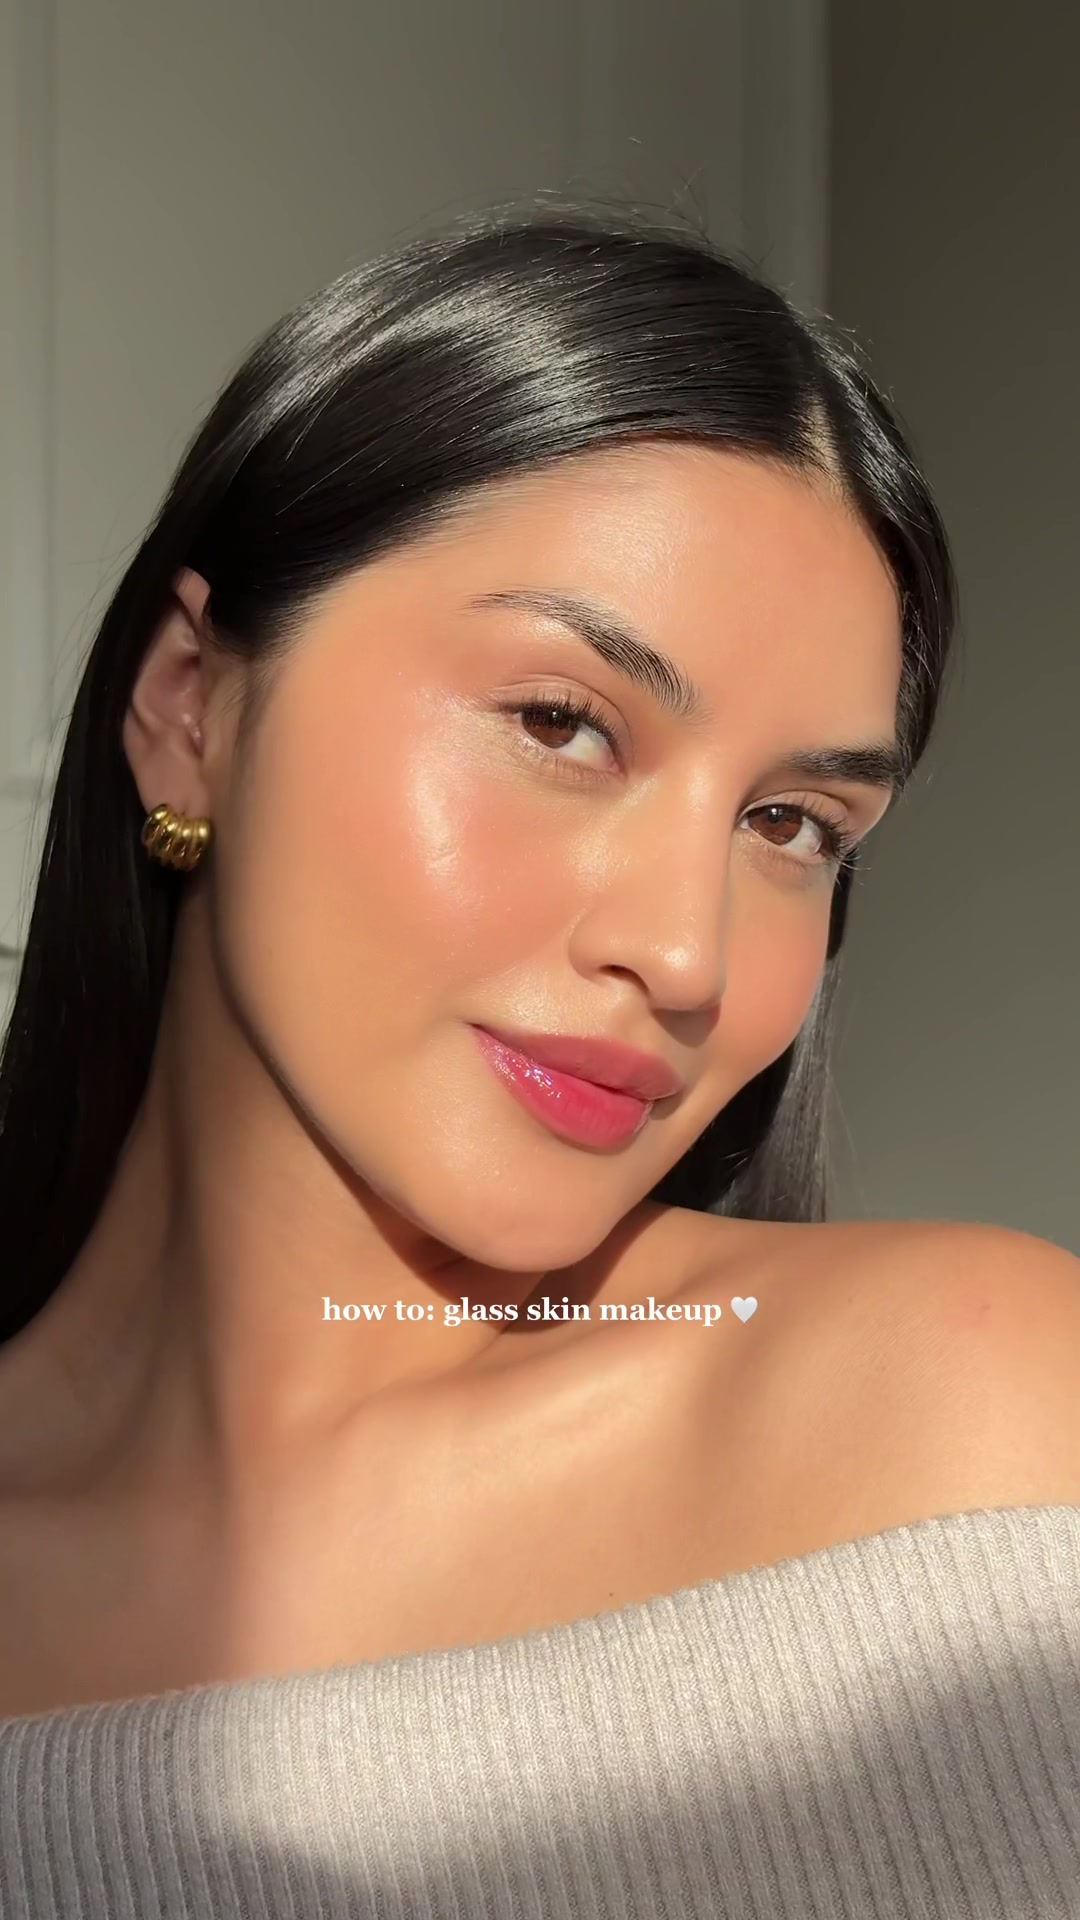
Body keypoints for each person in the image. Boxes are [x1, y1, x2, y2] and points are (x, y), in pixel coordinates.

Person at [0, 197, 1078, 1919]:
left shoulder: (971, 1422)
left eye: (793, 824)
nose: (687, 956)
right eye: (564, 723)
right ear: (190, 702)